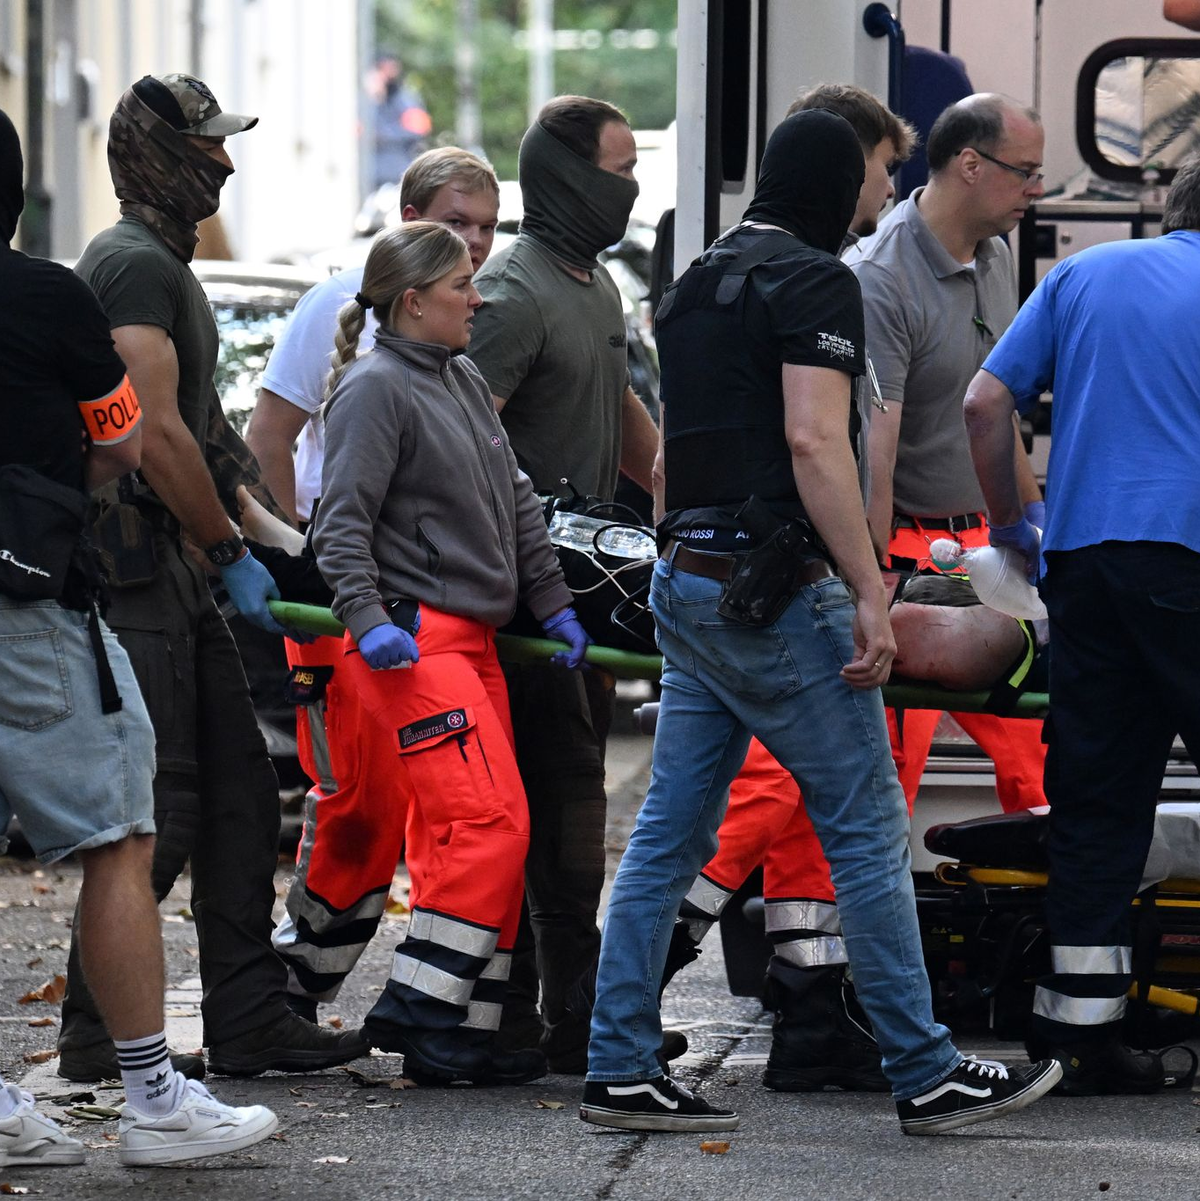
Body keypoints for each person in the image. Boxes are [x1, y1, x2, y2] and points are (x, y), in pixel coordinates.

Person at [581, 108, 1061, 1135]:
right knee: (869, 826)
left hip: (690, 582)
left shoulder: (695, 284)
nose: (883, 191)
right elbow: (815, 441)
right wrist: (863, 589)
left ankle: (617, 1061)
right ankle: (925, 1069)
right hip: (782, 590)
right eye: (873, 174)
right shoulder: (818, 282)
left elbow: (669, 460)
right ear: (833, 183)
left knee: (668, 835)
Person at [57, 72, 367, 1080]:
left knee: (238, 793)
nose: (223, 162)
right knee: (161, 810)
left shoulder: (164, 265)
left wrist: (279, 537)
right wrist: (236, 552)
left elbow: (208, 432)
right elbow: (150, 432)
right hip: (140, 578)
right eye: (206, 144)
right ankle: (98, 1047)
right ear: (157, 152)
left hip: (184, 578)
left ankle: (246, 1021)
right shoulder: (132, 267)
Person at [0, 108, 277, 1168]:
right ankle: (155, 1097)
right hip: (30, 601)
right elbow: (125, 435)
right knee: (121, 837)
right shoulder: (48, 292)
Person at [312, 221, 589, 1084]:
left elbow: (515, 500)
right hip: (417, 641)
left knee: (486, 828)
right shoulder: (375, 389)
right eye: (464, 285)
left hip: (469, 641)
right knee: (490, 827)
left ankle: (456, 1035)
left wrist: (553, 602)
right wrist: (367, 617)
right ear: (412, 301)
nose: (480, 297)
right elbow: (340, 523)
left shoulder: (459, 376)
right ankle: (420, 1010)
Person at [963, 155, 1200, 1095]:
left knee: (1099, 803)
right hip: (1190, 558)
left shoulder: (1083, 273)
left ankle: (1079, 1038)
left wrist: (1013, 528)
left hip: (1087, 566)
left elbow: (984, 402)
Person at [245, 148, 500, 1016]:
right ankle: (288, 995)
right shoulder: (342, 308)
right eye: (453, 222)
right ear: (408, 213)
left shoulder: (455, 326)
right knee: (359, 808)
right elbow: (268, 440)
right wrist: (305, 569)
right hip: (353, 604)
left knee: (448, 811)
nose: (471, 244)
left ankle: (436, 1003)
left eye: (485, 228)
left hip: (421, 606)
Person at [466, 95, 658, 1072]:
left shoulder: (595, 288)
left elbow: (616, 395)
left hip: (583, 597)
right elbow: (468, 427)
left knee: (572, 808)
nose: (629, 188)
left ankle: (571, 1013)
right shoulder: (511, 289)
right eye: (619, 170)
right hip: (521, 608)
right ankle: (522, 1018)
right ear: (572, 176)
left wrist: (665, 483)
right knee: (545, 809)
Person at [843, 93, 1050, 814]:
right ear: (969, 164)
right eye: (1025, 171)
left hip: (985, 550)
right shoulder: (881, 276)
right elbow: (877, 440)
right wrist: (869, 587)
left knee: (1040, 765)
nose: (1038, 189)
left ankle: (1049, 924)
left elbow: (996, 408)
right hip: (906, 557)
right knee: (886, 777)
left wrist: (1034, 522)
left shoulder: (993, 256)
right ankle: (831, 926)